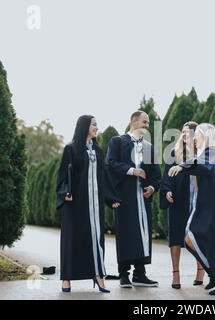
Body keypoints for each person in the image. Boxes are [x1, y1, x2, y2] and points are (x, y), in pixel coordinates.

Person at [168, 123, 215, 295]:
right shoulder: (203, 153)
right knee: (191, 239)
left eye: (197, 134)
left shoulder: (211, 151)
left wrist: (182, 166)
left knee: (211, 241)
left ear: (205, 136)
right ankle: (214, 273)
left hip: (213, 205)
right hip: (205, 205)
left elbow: (203, 166)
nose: (194, 138)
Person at [56, 115, 121, 293]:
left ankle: (99, 276)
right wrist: (64, 193)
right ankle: (66, 278)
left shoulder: (98, 152)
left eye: (96, 125)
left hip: (95, 206)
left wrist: (111, 198)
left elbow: (104, 178)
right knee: (72, 241)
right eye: (94, 124)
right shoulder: (71, 149)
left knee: (96, 240)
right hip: (75, 204)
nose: (96, 127)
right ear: (84, 126)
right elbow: (62, 175)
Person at [106, 111, 161, 288]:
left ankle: (140, 274)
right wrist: (132, 171)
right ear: (133, 121)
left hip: (143, 200)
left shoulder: (149, 147)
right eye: (144, 122)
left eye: (148, 123)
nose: (147, 125)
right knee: (126, 233)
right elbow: (111, 163)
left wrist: (152, 188)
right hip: (124, 197)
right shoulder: (117, 141)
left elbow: (156, 175)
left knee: (143, 235)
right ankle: (124, 274)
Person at [160, 121, 205, 289]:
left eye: (188, 132)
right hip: (178, 200)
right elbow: (167, 176)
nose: (185, 135)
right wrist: (166, 191)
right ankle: (175, 275)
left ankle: (201, 270)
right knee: (176, 237)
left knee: (197, 236)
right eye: (183, 132)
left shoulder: (202, 152)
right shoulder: (175, 152)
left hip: (197, 202)